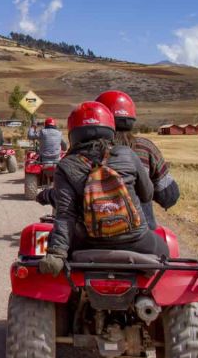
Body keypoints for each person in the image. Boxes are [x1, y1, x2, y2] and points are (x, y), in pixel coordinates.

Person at [36, 101, 167, 277]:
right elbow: (147, 194)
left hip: (87, 243)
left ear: (74, 133)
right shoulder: (127, 154)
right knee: (167, 252)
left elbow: (65, 215)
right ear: (109, 128)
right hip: (136, 240)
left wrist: (57, 253)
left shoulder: (66, 165)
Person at [96, 90, 180, 229]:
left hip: (90, 236)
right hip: (141, 234)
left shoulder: (83, 151)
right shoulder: (144, 147)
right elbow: (168, 196)